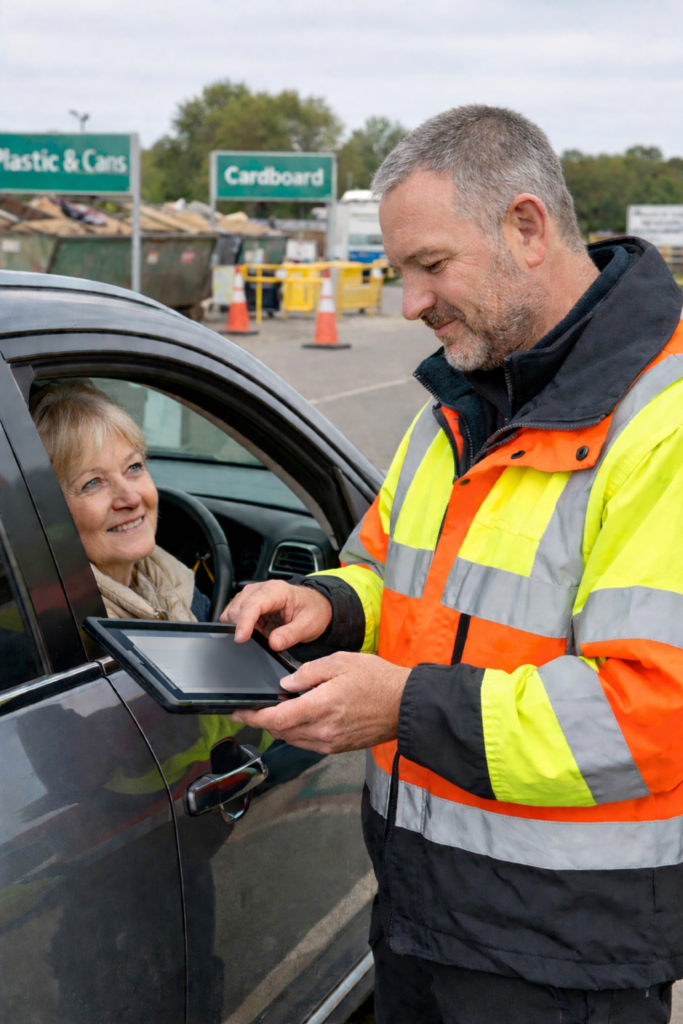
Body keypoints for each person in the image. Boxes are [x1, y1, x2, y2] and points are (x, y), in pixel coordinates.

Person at [223, 105, 683, 1023]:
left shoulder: (660, 421)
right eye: (400, 273)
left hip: (563, 954)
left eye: (430, 267)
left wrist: (400, 706)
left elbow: (649, 715)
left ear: (525, 226)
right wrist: (327, 605)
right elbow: (391, 575)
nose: (411, 304)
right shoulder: (462, 404)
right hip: (420, 909)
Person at [31, 381, 211, 621]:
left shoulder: (171, 580)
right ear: (47, 512)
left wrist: (248, 630)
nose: (132, 498)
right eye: (92, 482)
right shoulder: (56, 626)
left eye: (134, 466)